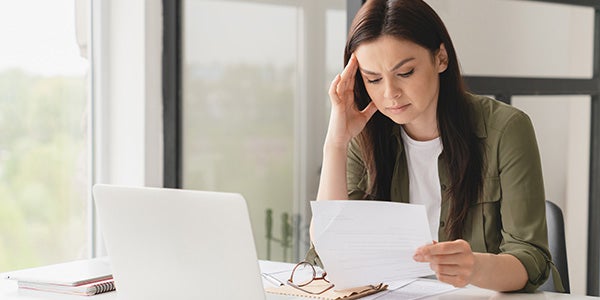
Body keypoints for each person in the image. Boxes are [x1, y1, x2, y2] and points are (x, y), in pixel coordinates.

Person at [307, 0, 560, 293]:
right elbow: (328, 249)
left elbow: (531, 260)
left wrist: (474, 267)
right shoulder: (365, 135)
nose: (390, 93)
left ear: (440, 58)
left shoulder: (505, 129)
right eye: (373, 79)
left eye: (405, 73)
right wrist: (336, 143)